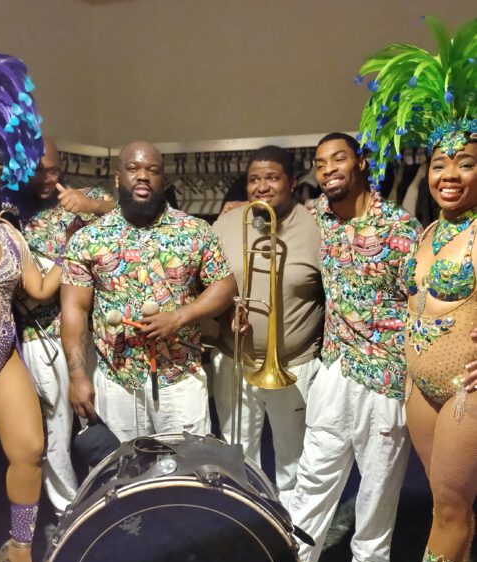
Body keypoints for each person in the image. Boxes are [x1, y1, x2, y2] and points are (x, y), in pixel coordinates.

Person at [351, 17, 477, 562]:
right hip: (419, 386)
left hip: (466, 392)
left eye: (466, 164)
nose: (449, 174)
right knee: (444, 506)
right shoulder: (428, 233)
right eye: (439, 163)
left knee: (450, 511)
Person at [288, 132, 421, 562]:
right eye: (320, 163)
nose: (328, 170)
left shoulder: (401, 228)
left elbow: (421, 303)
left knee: (380, 480)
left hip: (386, 376)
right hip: (334, 368)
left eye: (338, 159)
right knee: (314, 472)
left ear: (362, 162)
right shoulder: (316, 218)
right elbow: (274, 215)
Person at [61, 140, 236, 441]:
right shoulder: (87, 239)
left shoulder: (194, 231)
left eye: (153, 170)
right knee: (124, 467)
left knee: (187, 467)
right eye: (133, 168)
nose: (143, 176)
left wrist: (179, 317)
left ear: (163, 180)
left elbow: (225, 284)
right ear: (118, 179)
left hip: (180, 381)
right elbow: (74, 309)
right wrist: (77, 376)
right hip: (117, 382)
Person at [0, 51, 61, 562]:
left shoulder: (9, 233)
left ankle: (22, 551)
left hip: (4, 355)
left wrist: (71, 256)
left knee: (29, 449)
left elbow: (37, 287)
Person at [211, 145, 324, 507]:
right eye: (253, 179)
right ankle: (250, 523)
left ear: (291, 182)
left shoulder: (317, 226)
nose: (261, 187)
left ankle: (291, 531)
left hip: (294, 365)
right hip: (234, 362)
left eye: (272, 178)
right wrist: (227, 313)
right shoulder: (226, 223)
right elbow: (206, 284)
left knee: (293, 462)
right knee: (238, 457)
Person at [17, 137, 114, 516]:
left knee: (105, 418)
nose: (45, 178)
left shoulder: (88, 197)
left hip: (97, 332)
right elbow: (36, 291)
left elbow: (132, 214)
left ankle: (113, 503)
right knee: (55, 428)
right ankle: (66, 513)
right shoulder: (15, 217)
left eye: (52, 170)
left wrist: (91, 206)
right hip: (42, 337)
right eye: (36, 171)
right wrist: (71, 249)